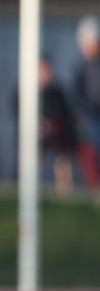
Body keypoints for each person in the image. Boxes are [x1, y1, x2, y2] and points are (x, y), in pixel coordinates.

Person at [38, 57, 79, 192]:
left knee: (62, 157)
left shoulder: (57, 90)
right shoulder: (28, 91)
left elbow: (65, 112)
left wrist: (52, 124)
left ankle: (64, 190)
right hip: (37, 134)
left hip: (57, 134)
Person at [75, 15, 100, 187]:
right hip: (92, 114)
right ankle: (94, 184)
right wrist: (83, 111)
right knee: (90, 144)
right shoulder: (81, 67)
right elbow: (77, 93)